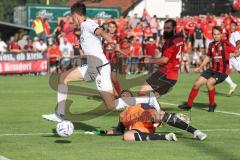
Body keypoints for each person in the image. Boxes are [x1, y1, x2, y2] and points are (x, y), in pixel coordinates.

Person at [42, 2, 160, 122]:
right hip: (93, 67)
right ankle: (60, 114)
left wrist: (114, 44)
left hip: (99, 67)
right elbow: (92, 46)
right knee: (63, 78)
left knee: (111, 105)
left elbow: (102, 32)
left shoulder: (88, 24)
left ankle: (148, 100)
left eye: (72, 18)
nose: (72, 21)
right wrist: (80, 46)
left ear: (75, 15)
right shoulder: (84, 28)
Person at [178, 26, 239, 112]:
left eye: (218, 34)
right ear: (212, 35)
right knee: (197, 83)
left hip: (222, 72)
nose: (216, 36)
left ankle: (212, 105)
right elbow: (208, 57)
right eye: (214, 34)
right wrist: (199, 67)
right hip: (212, 69)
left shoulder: (226, 44)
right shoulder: (211, 45)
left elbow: (237, 52)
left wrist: (232, 55)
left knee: (209, 82)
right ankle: (189, 104)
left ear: (221, 34)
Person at [90, 102, 207, 141]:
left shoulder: (133, 106)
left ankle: (196, 131)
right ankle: (166, 137)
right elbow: (117, 131)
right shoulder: (122, 116)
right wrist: (102, 132)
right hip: (142, 129)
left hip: (147, 114)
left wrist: (156, 115)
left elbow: (147, 106)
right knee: (127, 136)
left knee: (159, 115)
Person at [139, 19, 184, 98]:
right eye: (165, 28)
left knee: (142, 93)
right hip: (174, 77)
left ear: (174, 28)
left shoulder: (171, 41)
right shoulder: (180, 39)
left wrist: (148, 60)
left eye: (168, 28)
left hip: (165, 74)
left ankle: (138, 110)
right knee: (152, 98)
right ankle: (158, 111)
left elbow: (164, 60)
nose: (165, 30)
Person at [103, 21, 122, 96]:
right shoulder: (104, 36)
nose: (111, 28)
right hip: (105, 60)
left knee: (113, 78)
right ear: (108, 27)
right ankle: (113, 94)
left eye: (113, 27)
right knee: (107, 79)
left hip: (114, 60)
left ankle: (119, 93)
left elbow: (118, 48)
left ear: (115, 28)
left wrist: (117, 51)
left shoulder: (117, 37)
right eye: (110, 27)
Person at [224, 21, 240, 96]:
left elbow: (238, 43)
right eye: (230, 25)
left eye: (233, 25)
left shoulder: (236, 33)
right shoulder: (231, 34)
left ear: (236, 26)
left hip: (235, 57)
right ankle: (232, 84)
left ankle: (232, 84)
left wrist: (235, 53)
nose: (231, 27)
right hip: (231, 57)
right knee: (223, 72)